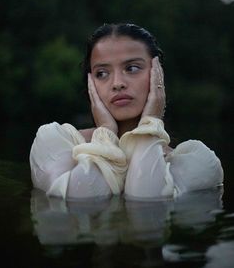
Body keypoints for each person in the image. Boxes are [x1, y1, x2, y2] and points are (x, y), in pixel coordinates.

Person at [30, 23, 223, 200]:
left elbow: (148, 208)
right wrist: (106, 131)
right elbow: (82, 199)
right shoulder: (54, 141)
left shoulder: (199, 162)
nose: (117, 84)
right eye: (102, 73)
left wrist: (150, 124)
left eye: (132, 68)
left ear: (158, 75)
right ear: (91, 84)